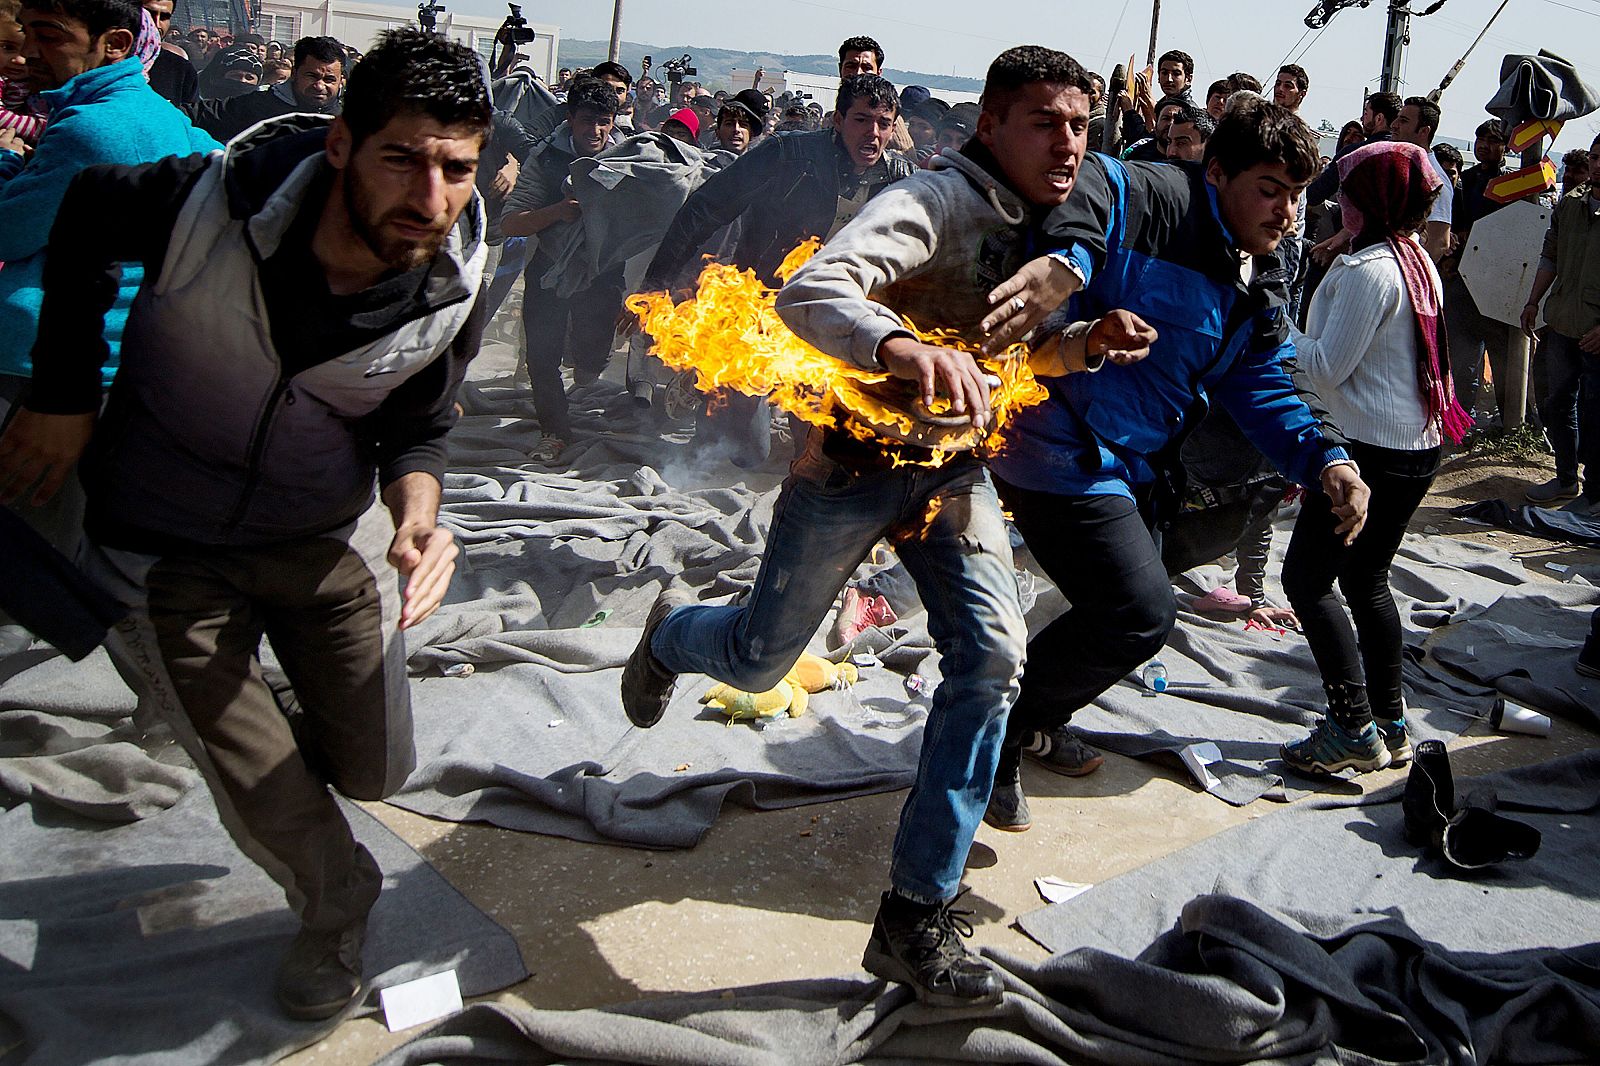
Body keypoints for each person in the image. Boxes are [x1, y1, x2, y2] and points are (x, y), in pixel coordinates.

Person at [624, 44, 1144, 1009]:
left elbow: (1019, 358)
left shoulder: (1043, 231)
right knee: (756, 657)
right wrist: (900, 346)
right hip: (850, 473)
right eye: (1044, 122)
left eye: (1079, 125)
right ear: (990, 125)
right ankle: (668, 636)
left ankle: (915, 916)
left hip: (951, 478)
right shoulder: (935, 202)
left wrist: (1083, 345)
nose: (1068, 143)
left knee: (992, 662)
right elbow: (811, 292)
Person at [0, 27, 489, 1019]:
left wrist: (419, 522)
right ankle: (333, 899)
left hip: (320, 545)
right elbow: (90, 214)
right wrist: (61, 393)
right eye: (403, 159)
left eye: (456, 169)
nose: (429, 200)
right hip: (164, 547)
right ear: (342, 145)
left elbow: (420, 426)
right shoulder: (208, 201)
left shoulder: (454, 283)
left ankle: (281, 747)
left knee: (376, 765)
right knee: (265, 785)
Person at [976, 95, 1368, 817]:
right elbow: (1091, 181)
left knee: (1122, 605)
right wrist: (1069, 261)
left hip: (1141, 470)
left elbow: (1261, 382)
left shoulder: (1255, 274)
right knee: (1139, 611)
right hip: (1056, 447)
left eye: (1297, 197)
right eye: (1270, 191)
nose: (1285, 215)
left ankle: (1033, 715)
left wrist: (1327, 459)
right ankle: (997, 733)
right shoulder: (1152, 194)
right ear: (1216, 172)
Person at [0, 0, 217, 567]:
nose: (25, 52)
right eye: (24, 32)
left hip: (42, 373)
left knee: (22, 560)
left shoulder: (91, 129)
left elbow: (8, 233)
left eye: (46, 35)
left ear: (114, 44)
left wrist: (6, 163)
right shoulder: (164, 116)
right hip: (108, 368)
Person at [1279, 141, 1470, 773]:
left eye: (1350, 190)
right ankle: (1391, 718)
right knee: (1366, 580)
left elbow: (1329, 368)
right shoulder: (1416, 260)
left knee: (1305, 581)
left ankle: (1352, 724)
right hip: (1416, 450)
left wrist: (1278, 333)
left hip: (1365, 456)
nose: (1340, 201)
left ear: (1373, 200)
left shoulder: (1369, 272)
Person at [642, 73, 916, 467]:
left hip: (830, 314)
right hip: (760, 302)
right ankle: (708, 378)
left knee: (816, 446)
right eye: (861, 120)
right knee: (746, 453)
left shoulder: (899, 178)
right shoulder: (787, 154)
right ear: (837, 122)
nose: (872, 134)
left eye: (884, 124)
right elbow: (705, 208)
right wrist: (657, 282)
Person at [500, 76, 624, 458]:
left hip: (603, 274)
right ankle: (554, 431)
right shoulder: (547, 160)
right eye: (588, 120)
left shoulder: (630, 157)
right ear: (570, 118)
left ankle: (587, 367)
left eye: (604, 121)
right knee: (541, 355)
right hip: (551, 270)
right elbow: (512, 222)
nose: (596, 130)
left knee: (592, 355)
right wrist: (557, 212)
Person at [1520, 132, 1600, 510]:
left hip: (1595, 332)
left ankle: (1595, 494)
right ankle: (1566, 479)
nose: (1598, 165)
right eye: (1595, 157)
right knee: (1556, 404)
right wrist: (1533, 301)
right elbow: (1549, 256)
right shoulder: (1570, 204)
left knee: (1596, 414)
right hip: (1562, 324)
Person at [1445, 119, 1513, 424]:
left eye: (1492, 139)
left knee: (1502, 356)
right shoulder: (1466, 181)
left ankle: (1509, 420)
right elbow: (1455, 224)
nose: (1484, 144)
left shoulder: (1517, 184)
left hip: (1499, 282)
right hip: (1464, 276)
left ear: (1506, 146)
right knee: (1462, 356)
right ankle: (1462, 419)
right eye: (1480, 138)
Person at [188, 35, 343, 142]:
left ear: (340, 81)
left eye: (329, 79)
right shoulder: (259, 105)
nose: (319, 86)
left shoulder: (349, 122)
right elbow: (198, 115)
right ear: (295, 74)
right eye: (312, 76)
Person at [1388, 96, 1452, 263]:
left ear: (1424, 131)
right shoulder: (1401, 167)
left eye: (1403, 121)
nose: (1394, 125)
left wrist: (1411, 278)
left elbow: (1439, 242)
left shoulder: (1433, 178)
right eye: (1397, 118)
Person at [140, 0, 194, 104]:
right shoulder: (103, 61)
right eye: (148, 14)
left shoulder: (181, 70)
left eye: (164, 17)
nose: (156, 24)